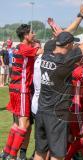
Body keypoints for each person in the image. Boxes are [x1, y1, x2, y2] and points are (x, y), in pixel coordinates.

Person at [34, 6, 83, 160]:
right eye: (73, 44)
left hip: (41, 111)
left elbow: (62, 36)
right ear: (69, 45)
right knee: (57, 155)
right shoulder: (65, 61)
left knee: (40, 152)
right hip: (56, 115)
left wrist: (80, 16)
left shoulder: (46, 54)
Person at [0, 24, 42, 160]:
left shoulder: (18, 47)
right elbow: (43, 50)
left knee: (16, 124)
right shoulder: (24, 48)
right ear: (25, 36)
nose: (34, 34)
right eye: (31, 32)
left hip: (14, 88)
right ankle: (13, 156)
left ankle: (6, 153)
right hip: (22, 90)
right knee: (24, 126)